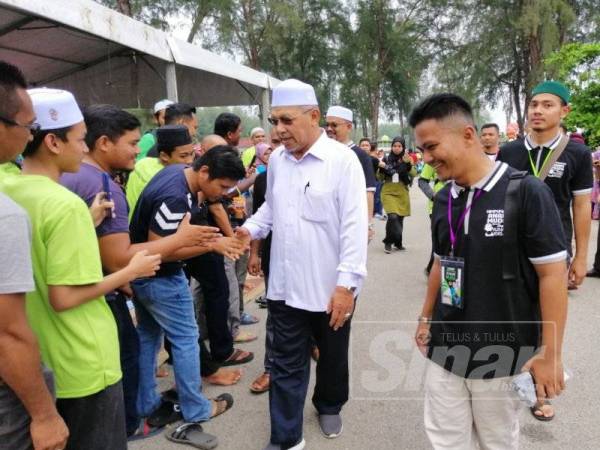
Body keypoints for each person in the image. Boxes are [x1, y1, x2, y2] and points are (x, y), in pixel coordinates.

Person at [1, 87, 162, 450]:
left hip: (41, 363)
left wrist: (85, 223)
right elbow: (63, 296)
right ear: (53, 143)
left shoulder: (7, 188)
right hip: (83, 361)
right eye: (80, 140)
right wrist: (129, 271)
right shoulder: (64, 206)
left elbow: (36, 251)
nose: (85, 149)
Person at [412, 93, 568, 450]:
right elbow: (440, 262)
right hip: (445, 345)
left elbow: (552, 276)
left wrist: (551, 353)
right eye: (422, 149)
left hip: (502, 351)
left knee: (496, 441)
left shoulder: (526, 192)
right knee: (445, 439)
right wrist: (425, 318)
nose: (427, 158)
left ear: (468, 135)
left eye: (432, 146)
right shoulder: (443, 199)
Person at [60, 107, 218, 440]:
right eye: (132, 142)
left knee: (145, 339)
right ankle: (191, 408)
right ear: (103, 142)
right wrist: (186, 241)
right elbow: (121, 258)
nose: (138, 149)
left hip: (95, 288)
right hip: (101, 293)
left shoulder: (69, 178)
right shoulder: (102, 184)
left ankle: (144, 406)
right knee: (177, 341)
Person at [236, 78, 368, 450]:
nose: (279, 130)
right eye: (274, 120)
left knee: (332, 357)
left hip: (330, 289)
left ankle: (329, 403)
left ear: (314, 117)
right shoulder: (277, 160)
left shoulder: (343, 162)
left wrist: (346, 287)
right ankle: (286, 438)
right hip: (284, 288)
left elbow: (355, 228)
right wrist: (247, 232)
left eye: (287, 121)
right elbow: (271, 211)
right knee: (286, 366)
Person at [129, 146, 247, 446]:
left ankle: (144, 402)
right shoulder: (175, 196)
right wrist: (213, 246)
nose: (220, 195)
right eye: (220, 187)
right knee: (185, 340)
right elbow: (161, 250)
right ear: (204, 171)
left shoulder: (175, 174)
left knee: (148, 337)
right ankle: (197, 407)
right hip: (161, 279)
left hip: (144, 278)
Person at [0, 60, 69, 450]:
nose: (29, 138)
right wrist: (44, 416)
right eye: (27, 127)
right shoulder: (7, 213)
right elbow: (8, 332)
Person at [325, 106, 377, 242]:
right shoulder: (321, 152)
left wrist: (368, 225)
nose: (329, 129)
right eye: (327, 124)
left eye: (334, 125)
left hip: (350, 222)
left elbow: (368, 192)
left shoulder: (360, 156)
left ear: (348, 127)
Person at [126, 124, 195, 219]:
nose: (190, 161)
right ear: (164, 156)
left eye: (192, 154)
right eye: (183, 156)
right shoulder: (166, 179)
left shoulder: (142, 164)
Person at [380, 136, 417, 253]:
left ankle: (398, 242)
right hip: (388, 192)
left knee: (400, 219)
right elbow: (379, 177)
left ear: (403, 147)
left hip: (402, 191)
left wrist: (408, 164)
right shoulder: (386, 160)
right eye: (394, 146)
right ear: (391, 147)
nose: (396, 148)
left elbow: (414, 174)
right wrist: (381, 169)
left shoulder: (407, 159)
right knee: (393, 217)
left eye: (399, 146)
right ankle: (388, 242)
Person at [418, 163, 446, 274]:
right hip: (437, 206)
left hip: (459, 204)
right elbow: (422, 181)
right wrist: (434, 196)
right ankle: (432, 270)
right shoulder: (435, 159)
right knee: (439, 240)